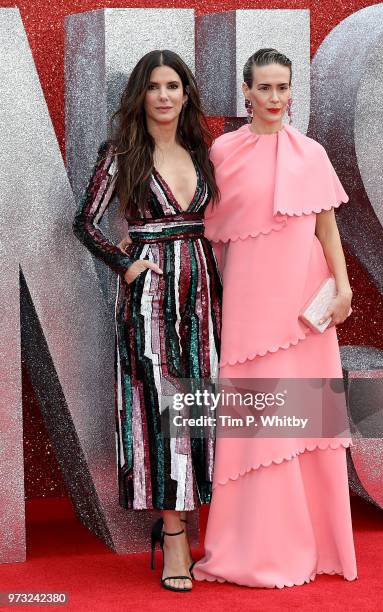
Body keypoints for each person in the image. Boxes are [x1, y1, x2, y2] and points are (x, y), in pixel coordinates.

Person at [191, 48, 358, 588]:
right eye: (264, 88)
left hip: (306, 307)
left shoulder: (312, 153)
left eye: (283, 88)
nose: (275, 99)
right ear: (246, 92)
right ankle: (251, 548)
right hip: (247, 307)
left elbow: (327, 230)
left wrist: (344, 289)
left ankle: (313, 547)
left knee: (305, 422)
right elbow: (209, 234)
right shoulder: (221, 152)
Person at [72, 50, 222, 593]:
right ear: (141, 94)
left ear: (186, 93)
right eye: (154, 86)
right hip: (151, 296)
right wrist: (126, 263)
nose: (164, 95)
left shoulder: (204, 150)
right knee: (158, 407)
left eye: (173, 85)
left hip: (205, 293)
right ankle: (175, 534)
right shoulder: (122, 152)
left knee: (198, 405)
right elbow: (84, 223)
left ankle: (204, 521)